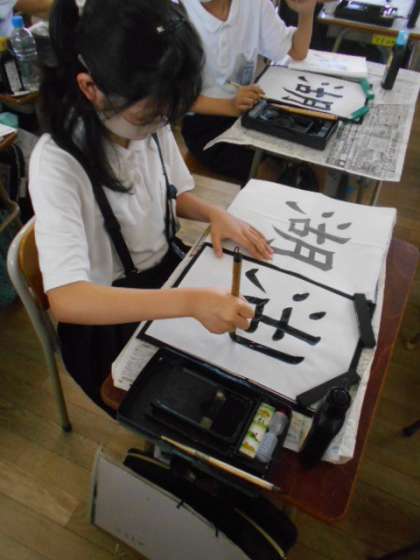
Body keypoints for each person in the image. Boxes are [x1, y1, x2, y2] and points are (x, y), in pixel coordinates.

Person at [29, 0, 273, 412]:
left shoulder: (147, 115)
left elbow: (169, 195)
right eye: (151, 115)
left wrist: (214, 214)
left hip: (167, 274)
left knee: (247, 371)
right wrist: (189, 303)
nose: (163, 124)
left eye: (170, 113)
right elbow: (68, 300)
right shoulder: (58, 162)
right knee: (205, 409)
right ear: (90, 88)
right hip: (110, 321)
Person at [181, 0, 318, 184]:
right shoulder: (178, 12)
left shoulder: (254, 4)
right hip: (204, 126)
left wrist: (306, 12)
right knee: (271, 172)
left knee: (310, 156)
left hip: (250, 113)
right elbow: (169, 98)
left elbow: (297, 50)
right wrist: (230, 106)